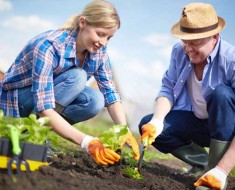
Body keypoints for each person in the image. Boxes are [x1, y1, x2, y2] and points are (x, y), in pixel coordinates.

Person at [0, 0, 139, 166]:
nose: (104, 42)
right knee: (77, 77)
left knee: (95, 101)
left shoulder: (99, 54)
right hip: (16, 101)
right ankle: (29, 134)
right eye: (100, 34)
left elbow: (110, 93)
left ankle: (34, 135)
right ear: (82, 23)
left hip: (43, 104)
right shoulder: (49, 45)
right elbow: (44, 107)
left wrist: (123, 130)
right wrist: (87, 142)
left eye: (109, 37)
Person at [138, 2, 234, 190]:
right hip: (198, 123)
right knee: (149, 124)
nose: (188, 48)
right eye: (185, 41)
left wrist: (222, 170)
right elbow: (168, 87)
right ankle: (202, 164)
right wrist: (157, 121)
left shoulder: (231, 61)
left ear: (214, 37)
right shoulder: (179, 51)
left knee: (222, 94)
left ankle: (215, 172)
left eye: (195, 43)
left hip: (227, 131)